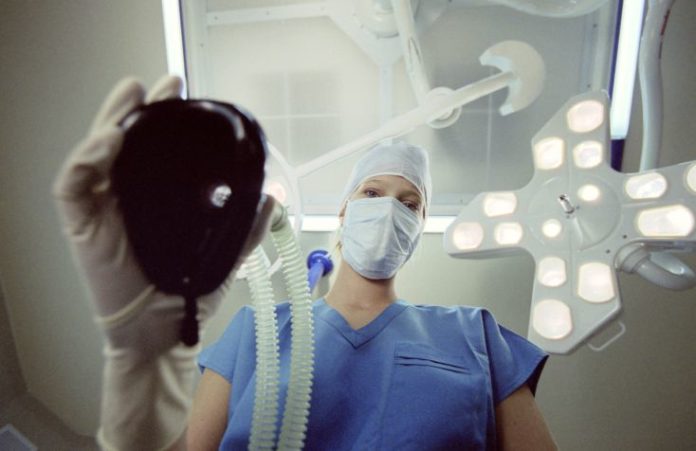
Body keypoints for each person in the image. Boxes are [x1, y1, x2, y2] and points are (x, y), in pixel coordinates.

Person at [188, 142, 558, 450]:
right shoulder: (256, 329)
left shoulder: (476, 335)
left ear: (418, 229)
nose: (389, 208)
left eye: (410, 204)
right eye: (372, 192)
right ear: (345, 210)